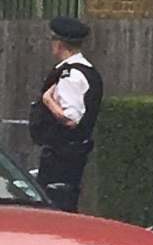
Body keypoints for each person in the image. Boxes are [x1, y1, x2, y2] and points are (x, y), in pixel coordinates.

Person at [27, 16, 100, 211]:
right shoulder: (77, 71)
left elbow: (71, 119)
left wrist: (48, 101)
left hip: (63, 157)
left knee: (56, 207)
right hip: (63, 154)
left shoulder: (72, 75)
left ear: (59, 44)